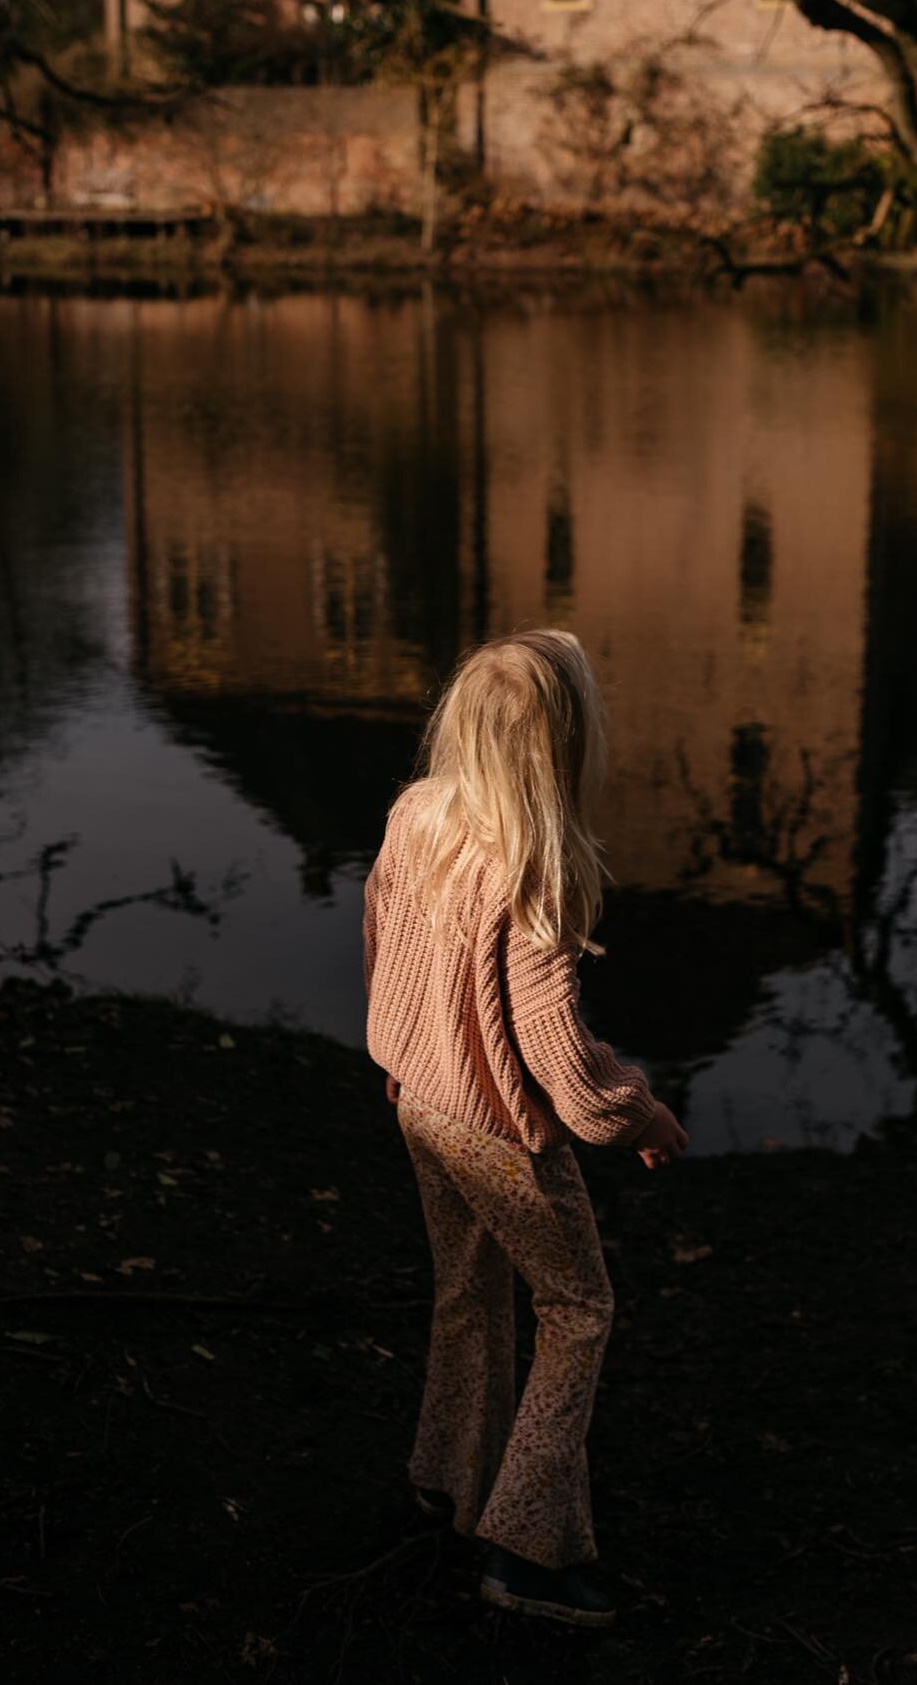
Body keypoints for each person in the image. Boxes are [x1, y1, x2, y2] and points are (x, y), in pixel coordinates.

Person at [361, 628, 689, 1630]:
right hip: (500, 1132)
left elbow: (380, 932)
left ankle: (448, 1476)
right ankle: (528, 1543)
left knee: (468, 1292)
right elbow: (554, 1047)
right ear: (568, 744)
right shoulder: (535, 868)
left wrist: (404, 1053)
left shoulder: (415, 814)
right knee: (578, 1307)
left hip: (422, 1102)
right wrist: (634, 1109)